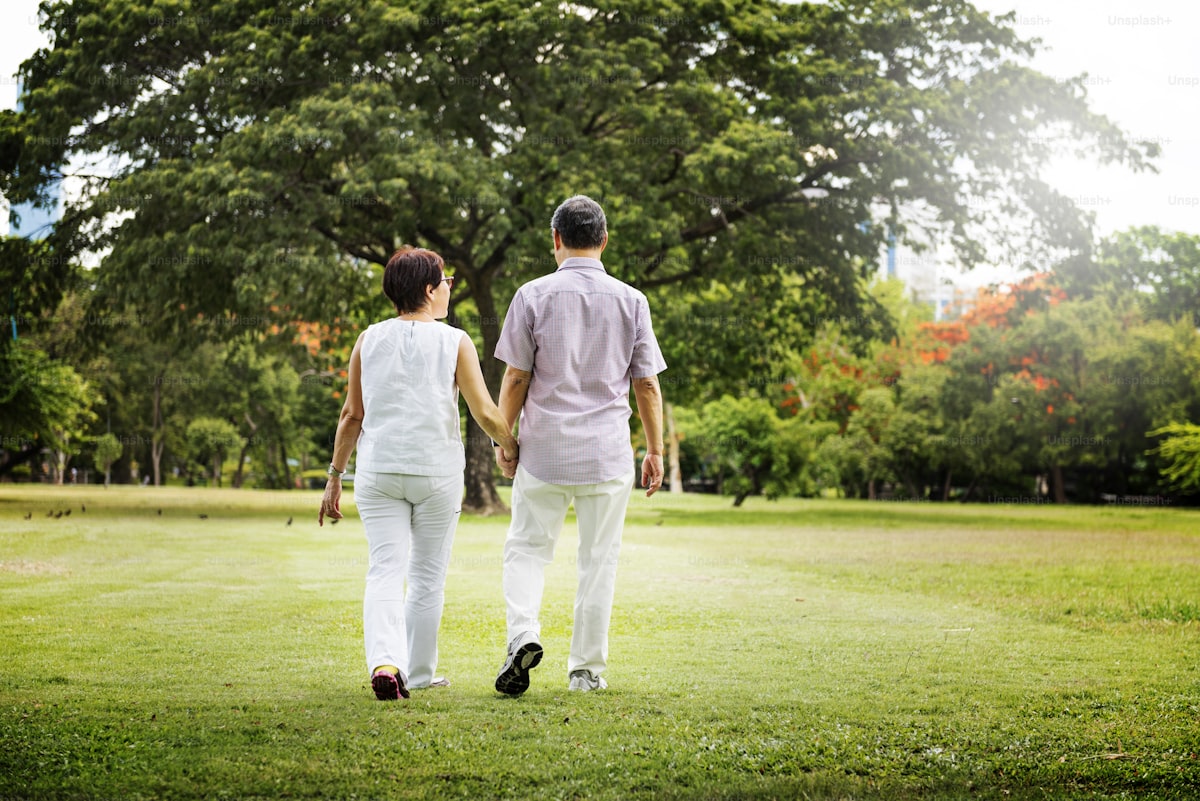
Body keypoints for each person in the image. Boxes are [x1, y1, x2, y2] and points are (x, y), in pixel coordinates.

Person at [318, 246, 519, 701]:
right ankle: (421, 673)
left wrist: (334, 476)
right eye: (446, 281)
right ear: (429, 290)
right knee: (428, 575)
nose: (449, 288)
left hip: (378, 470)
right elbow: (484, 411)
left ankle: (386, 664)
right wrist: (510, 446)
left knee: (384, 569)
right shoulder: (455, 341)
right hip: (436, 473)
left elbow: (351, 415)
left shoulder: (368, 339)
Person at [491, 194, 667, 695]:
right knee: (599, 560)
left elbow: (516, 377)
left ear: (556, 239)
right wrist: (655, 450)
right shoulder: (633, 300)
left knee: (527, 549)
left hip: (544, 451)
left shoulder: (531, 295)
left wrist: (505, 440)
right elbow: (647, 384)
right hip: (606, 454)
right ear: (604, 240)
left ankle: (523, 634)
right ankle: (585, 671)